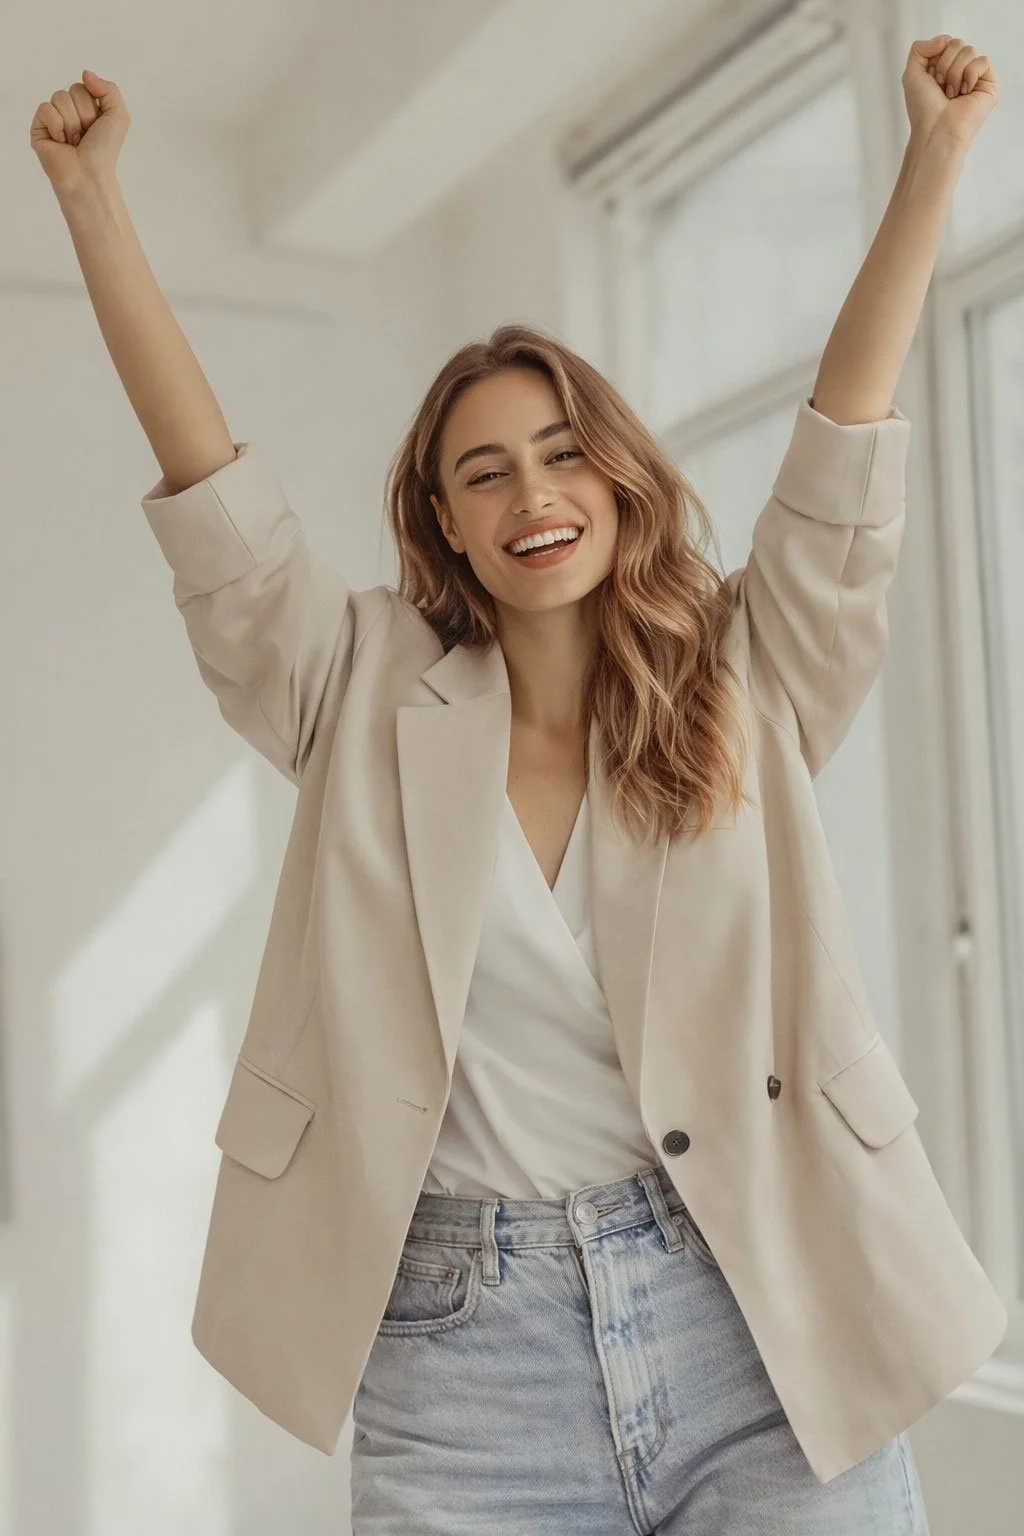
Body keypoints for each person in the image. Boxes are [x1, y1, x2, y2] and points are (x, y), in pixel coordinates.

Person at [31, 36, 1004, 1532]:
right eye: (483, 473)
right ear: (446, 523)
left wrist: (936, 163)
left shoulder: (751, 668)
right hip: (465, 1347)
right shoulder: (354, 686)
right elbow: (220, 516)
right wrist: (93, 201)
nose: (532, 493)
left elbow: (840, 466)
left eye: (560, 454)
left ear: (617, 479)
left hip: (755, 1302)